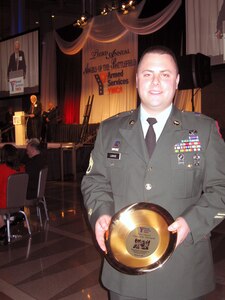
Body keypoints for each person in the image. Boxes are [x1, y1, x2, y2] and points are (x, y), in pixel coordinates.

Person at [81, 46, 225, 300]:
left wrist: (190, 224)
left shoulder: (204, 130)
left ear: (177, 81)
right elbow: (95, 181)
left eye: (165, 74)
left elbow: (221, 188)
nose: (156, 82)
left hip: (181, 268)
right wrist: (101, 214)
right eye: (147, 74)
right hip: (124, 266)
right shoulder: (110, 129)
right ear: (136, 80)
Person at [0, 144, 25, 241]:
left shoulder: (1, 169)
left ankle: (2, 229)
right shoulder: (22, 168)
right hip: (19, 204)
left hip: (5, 204)